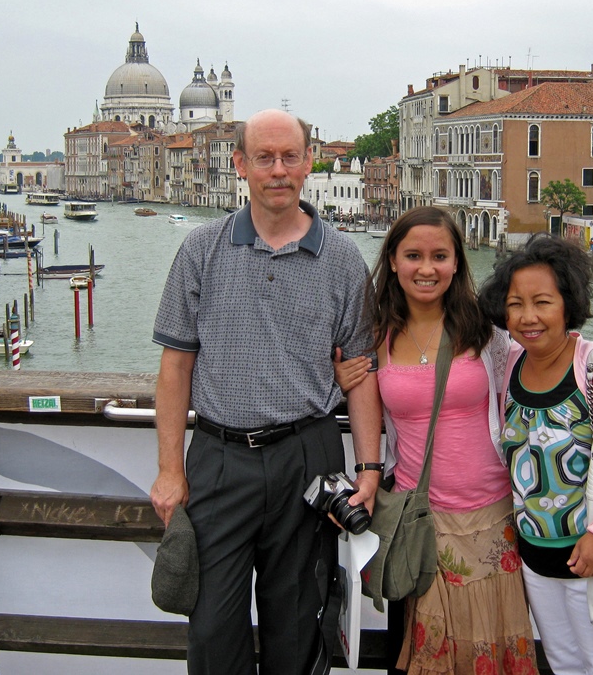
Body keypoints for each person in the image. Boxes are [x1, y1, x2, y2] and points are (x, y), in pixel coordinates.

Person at [150, 109, 383, 675]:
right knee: (211, 627)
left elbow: (361, 373)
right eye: (264, 158)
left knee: (300, 625)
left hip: (307, 459)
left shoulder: (345, 261)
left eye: (289, 157)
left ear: (308, 162)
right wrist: (169, 469)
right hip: (218, 458)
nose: (278, 171)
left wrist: (370, 471)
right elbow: (175, 367)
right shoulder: (201, 250)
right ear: (241, 165)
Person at [337, 206, 538, 675]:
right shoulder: (374, 335)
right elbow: (357, 400)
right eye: (413, 256)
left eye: (439, 256)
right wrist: (336, 379)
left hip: (495, 521)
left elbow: (543, 366)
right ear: (392, 261)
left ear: (456, 263)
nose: (427, 269)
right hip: (418, 525)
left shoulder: (489, 331)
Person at [477, 235, 593, 675]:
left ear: (568, 304)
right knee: (563, 665)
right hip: (535, 556)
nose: (528, 317)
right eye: (516, 304)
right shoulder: (510, 365)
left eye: (542, 302)